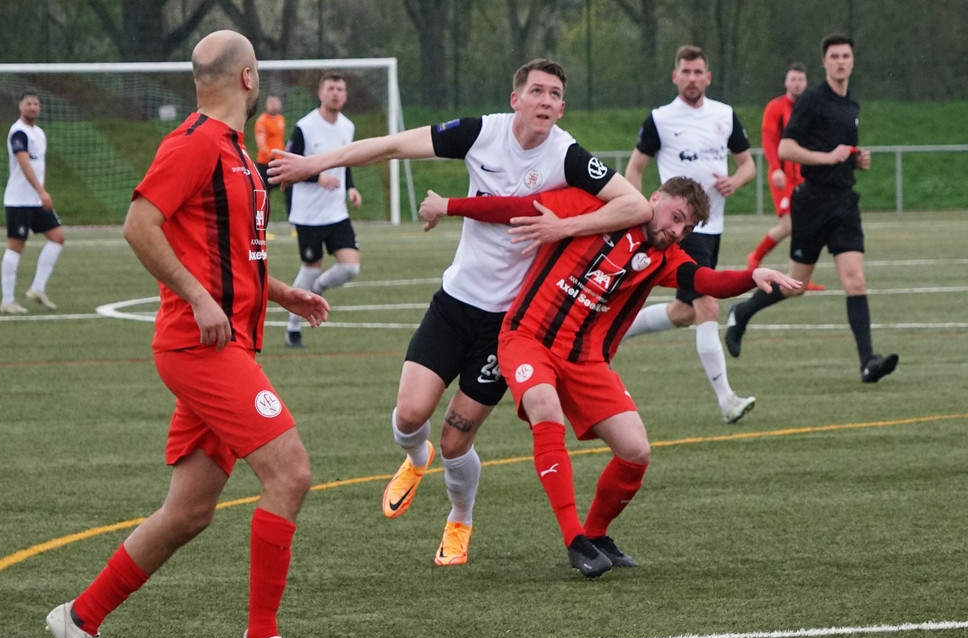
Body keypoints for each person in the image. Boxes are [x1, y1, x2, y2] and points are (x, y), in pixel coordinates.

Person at [269, 59, 650, 566]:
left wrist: (564, 228)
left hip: (507, 327)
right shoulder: (481, 134)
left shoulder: (567, 155)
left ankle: (459, 519)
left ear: (561, 107)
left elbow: (637, 206)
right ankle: (414, 457)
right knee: (410, 415)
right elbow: (393, 145)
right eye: (536, 91)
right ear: (515, 99)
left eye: (555, 94)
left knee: (455, 442)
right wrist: (311, 165)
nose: (545, 101)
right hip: (454, 303)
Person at [45, 30, 330, 638]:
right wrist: (199, 299)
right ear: (249, 79)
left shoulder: (236, 151)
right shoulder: (195, 143)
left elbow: (225, 254)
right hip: (200, 349)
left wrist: (281, 292)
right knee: (290, 473)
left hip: (225, 344)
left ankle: (79, 618)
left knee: (189, 512)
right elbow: (138, 225)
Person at [417, 178, 800, 578]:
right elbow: (515, 207)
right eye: (675, 218)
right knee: (545, 408)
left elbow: (706, 281)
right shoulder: (590, 205)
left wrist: (751, 276)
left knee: (636, 450)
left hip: (586, 362)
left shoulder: (663, 257)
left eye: (686, 228)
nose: (676, 231)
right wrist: (449, 204)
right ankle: (574, 541)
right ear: (654, 198)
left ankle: (595, 534)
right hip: (528, 338)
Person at [724, 32, 899, 384]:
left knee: (855, 279)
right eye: (834, 56)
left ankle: (868, 362)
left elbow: (840, 151)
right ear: (824, 62)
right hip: (812, 201)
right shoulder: (812, 100)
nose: (840, 62)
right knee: (797, 284)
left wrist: (854, 160)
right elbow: (786, 149)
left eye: (846, 56)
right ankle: (741, 312)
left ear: (853, 61)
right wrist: (828, 157)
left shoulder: (852, 105)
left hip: (844, 202)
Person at [621, 45, 758, 425]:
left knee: (684, 313)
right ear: (675, 76)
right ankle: (727, 400)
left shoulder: (724, 115)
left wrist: (735, 181)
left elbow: (748, 165)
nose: (692, 78)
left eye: (699, 72)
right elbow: (635, 168)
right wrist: (637, 211)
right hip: (681, 231)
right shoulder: (660, 119)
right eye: (686, 71)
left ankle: (611, 332)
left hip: (713, 228)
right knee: (708, 307)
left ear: (708, 77)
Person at [284, 72, 363, 348]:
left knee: (350, 267)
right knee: (310, 269)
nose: (335, 93)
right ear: (320, 93)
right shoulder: (304, 128)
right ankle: (293, 327)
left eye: (340, 89)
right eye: (331, 88)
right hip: (309, 215)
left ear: (345, 95)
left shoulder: (347, 127)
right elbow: (287, 167)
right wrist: (318, 178)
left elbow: (346, 161)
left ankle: (317, 289)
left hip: (337, 212)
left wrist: (350, 187)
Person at [745, 63, 824, 292]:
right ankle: (755, 257)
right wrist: (775, 168)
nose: (797, 83)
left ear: (806, 82)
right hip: (783, 175)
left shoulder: (810, 107)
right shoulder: (776, 107)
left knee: (805, 225)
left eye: (801, 79)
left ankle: (799, 279)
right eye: (793, 79)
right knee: (789, 224)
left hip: (804, 176)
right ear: (786, 82)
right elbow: (769, 140)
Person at [0, 92, 65, 314]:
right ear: (20, 106)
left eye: (36, 103)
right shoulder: (18, 132)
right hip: (19, 200)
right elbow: (24, 163)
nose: (32, 107)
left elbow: (38, 166)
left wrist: (39, 193)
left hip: (35, 200)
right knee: (16, 246)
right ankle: (7, 300)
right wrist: (41, 191)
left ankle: (38, 288)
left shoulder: (39, 133)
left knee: (57, 237)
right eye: (28, 103)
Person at [253, 94, 288, 217]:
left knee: (289, 188)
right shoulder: (262, 120)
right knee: (264, 193)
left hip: (279, 162)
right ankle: (262, 218)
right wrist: (270, 156)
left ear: (280, 104)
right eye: (271, 103)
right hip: (265, 163)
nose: (273, 105)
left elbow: (280, 140)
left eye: (276, 102)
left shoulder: (281, 119)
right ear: (266, 105)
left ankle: (292, 215)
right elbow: (261, 141)